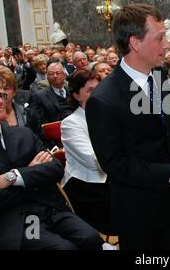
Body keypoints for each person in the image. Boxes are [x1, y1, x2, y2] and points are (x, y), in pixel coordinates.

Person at [85, 3, 170, 250]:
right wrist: (168, 172)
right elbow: (114, 164)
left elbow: (163, 129)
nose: (167, 45)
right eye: (159, 38)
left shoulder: (158, 77)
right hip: (140, 213)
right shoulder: (104, 100)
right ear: (135, 43)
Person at [0, 74, 104, 250]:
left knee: (91, 239)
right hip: (4, 223)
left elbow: (56, 169)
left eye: (2, 95)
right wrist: (31, 178)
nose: (0, 101)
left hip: (47, 209)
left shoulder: (22, 134)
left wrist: (12, 177)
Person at [61, 70, 112, 235]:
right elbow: (94, 160)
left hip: (111, 178)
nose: (98, 94)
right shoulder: (71, 123)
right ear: (76, 95)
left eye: (99, 89)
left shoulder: (109, 116)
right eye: (91, 91)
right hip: (86, 187)